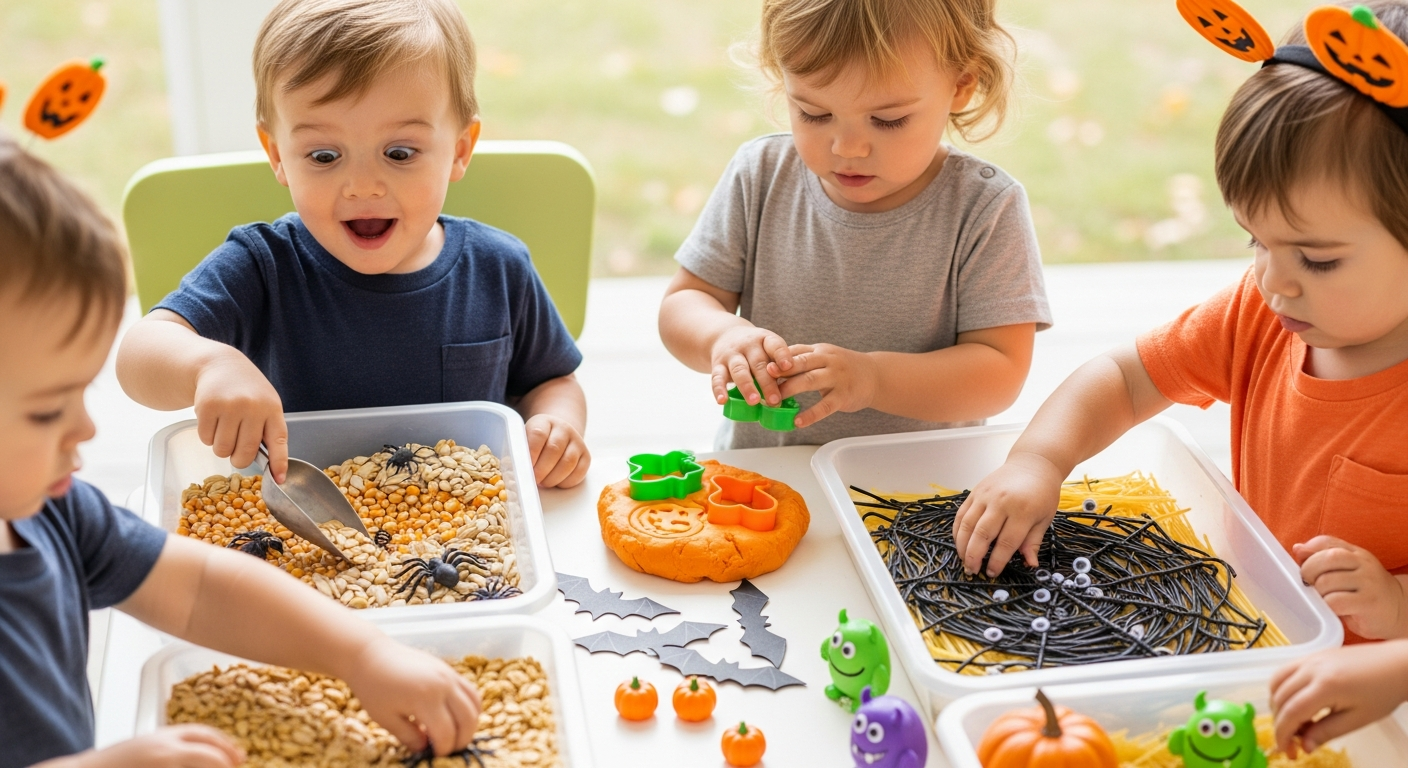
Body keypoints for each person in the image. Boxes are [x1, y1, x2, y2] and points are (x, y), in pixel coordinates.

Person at [947, 0, 1408, 755]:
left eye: (1316, 259)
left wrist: (1398, 610)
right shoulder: (1264, 316)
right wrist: (1040, 460)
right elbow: (1124, 378)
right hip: (1252, 657)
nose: (1273, 283)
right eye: (1254, 241)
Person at [0, 135, 482, 768]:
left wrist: (361, 654)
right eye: (46, 409)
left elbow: (200, 587)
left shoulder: (49, 515)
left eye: (79, 394)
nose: (86, 430)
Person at [116, 0, 589, 489]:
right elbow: (138, 355)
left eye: (399, 153)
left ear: (460, 150)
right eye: (324, 155)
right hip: (295, 532)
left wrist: (557, 428)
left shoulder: (498, 268)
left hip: (465, 533)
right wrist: (209, 365)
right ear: (278, 156)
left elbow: (551, 381)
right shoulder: (263, 266)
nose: (363, 186)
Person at [657, 0, 1051, 449]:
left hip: (913, 497)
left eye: (888, 120)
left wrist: (873, 379)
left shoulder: (985, 208)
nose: (847, 148)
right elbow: (685, 302)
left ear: (961, 84)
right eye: (814, 113)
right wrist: (721, 336)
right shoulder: (762, 174)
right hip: (764, 483)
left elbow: (999, 373)